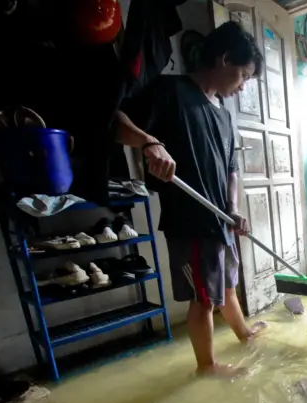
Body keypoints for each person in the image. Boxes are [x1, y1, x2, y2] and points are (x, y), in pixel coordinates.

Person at [114, 21, 267, 376]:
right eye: (242, 75)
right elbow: (115, 122)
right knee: (204, 297)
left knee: (227, 283)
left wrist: (234, 209)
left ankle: (243, 332)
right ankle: (207, 365)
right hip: (189, 221)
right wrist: (149, 143)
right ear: (224, 58)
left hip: (220, 220)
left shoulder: (225, 117)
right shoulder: (170, 91)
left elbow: (231, 169)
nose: (242, 86)